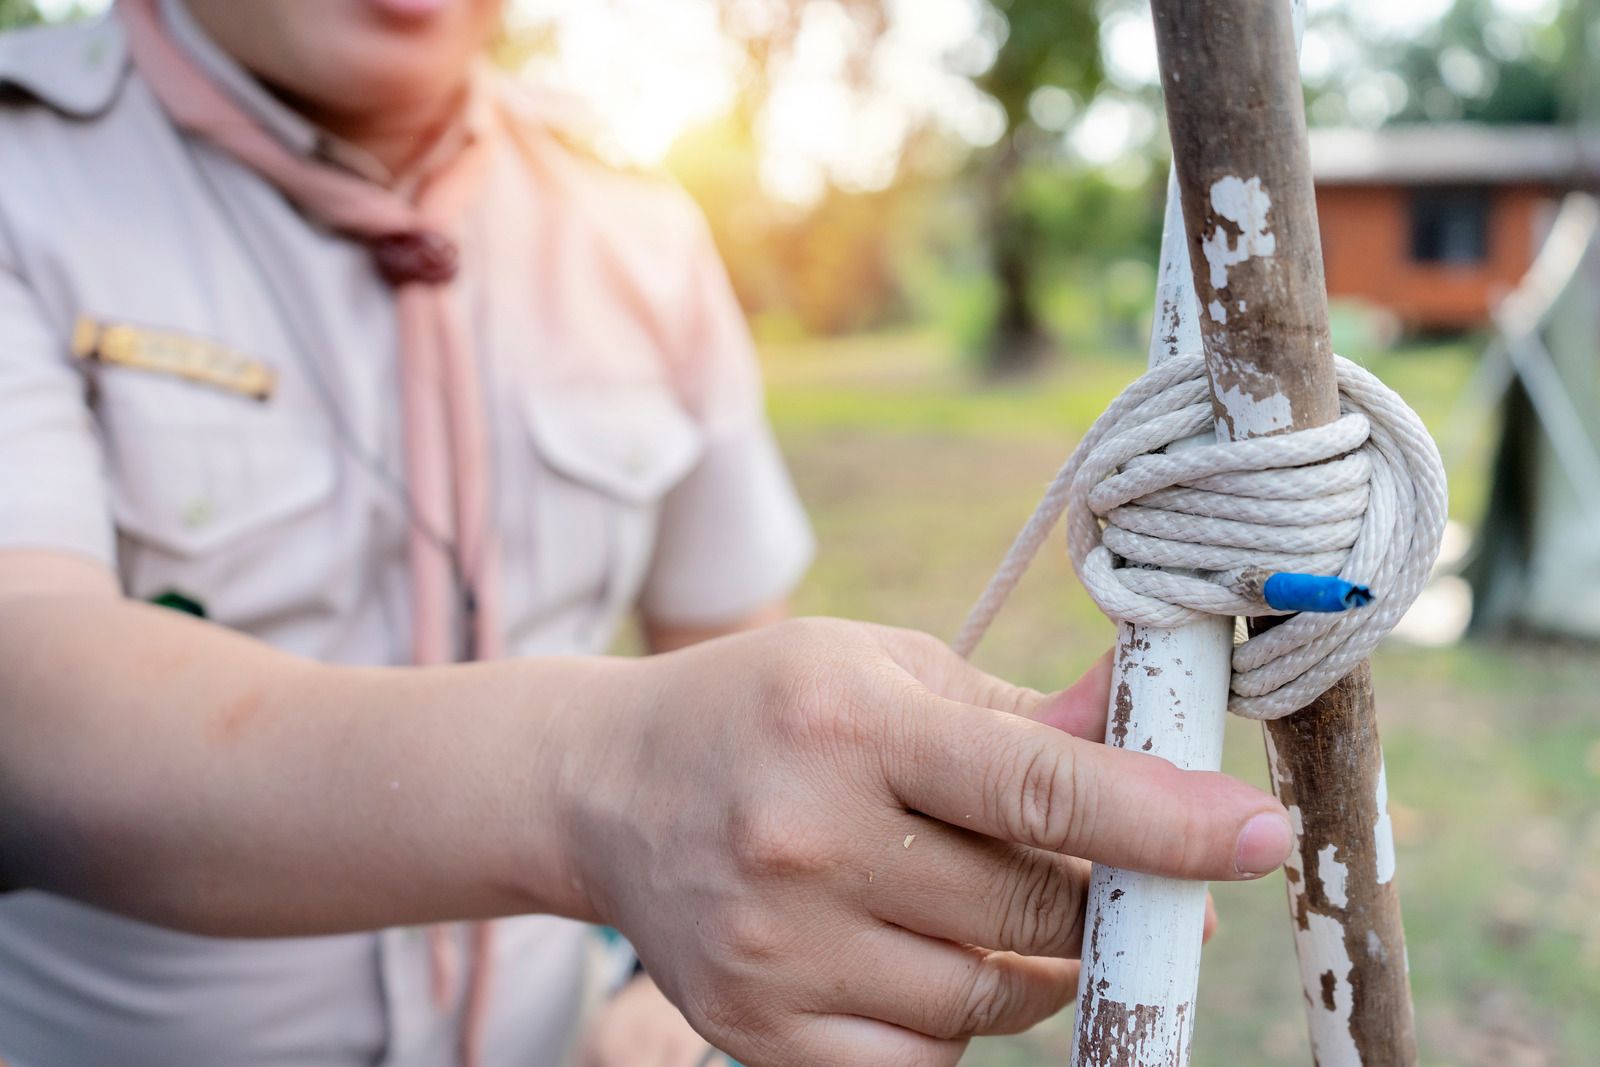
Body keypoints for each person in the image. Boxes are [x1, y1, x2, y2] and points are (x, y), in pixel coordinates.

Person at [0, 2, 1296, 1066]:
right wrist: (607, 788)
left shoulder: (636, 220)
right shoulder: (26, 173)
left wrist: (645, 974)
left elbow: (724, 644)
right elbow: (27, 691)